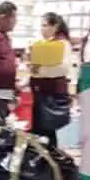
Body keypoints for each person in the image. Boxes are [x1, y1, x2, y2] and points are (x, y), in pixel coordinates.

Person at [28, 12, 73, 148]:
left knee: (49, 130)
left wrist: (40, 70)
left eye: (45, 25)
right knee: (40, 132)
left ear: (56, 26)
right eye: (41, 26)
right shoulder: (42, 44)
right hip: (40, 94)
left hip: (52, 96)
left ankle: (51, 162)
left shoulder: (62, 44)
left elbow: (63, 69)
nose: (42, 29)